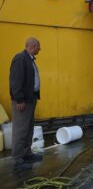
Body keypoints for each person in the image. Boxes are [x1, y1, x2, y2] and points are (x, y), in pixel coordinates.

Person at [9, 37, 43, 170]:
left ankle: (27, 153)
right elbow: (15, 82)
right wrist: (19, 99)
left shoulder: (29, 59)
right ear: (33, 46)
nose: (40, 49)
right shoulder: (20, 59)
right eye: (39, 47)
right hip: (22, 102)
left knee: (28, 128)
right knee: (20, 130)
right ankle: (17, 160)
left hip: (30, 100)